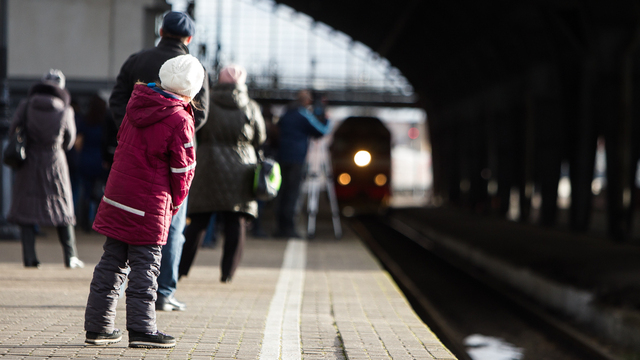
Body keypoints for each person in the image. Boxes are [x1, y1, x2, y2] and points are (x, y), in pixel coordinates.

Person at [84, 55, 202, 348]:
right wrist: (174, 203)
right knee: (146, 268)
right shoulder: (180, 118)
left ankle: (98, 327)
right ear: (192, 89)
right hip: (149, 203)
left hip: (117, 196)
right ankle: (142, 329)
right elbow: (183, 170)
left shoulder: (135, 105)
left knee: (111, 262)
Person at [109, 11, 209, 312]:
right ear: (188, 39)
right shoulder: (194, 69)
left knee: (124, 225)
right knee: (172, 228)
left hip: (132, 156)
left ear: (161, 30)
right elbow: (201, 114)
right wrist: (174, 133)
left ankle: (119, 290)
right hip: (169, 163)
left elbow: (116, 101)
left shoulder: (135, 60)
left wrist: (132, 130)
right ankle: (163, 292)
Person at [179, 64, 266, 283]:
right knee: (235, 221)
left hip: (208, 165)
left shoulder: (206, 102)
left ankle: (180, 270)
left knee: (198, 220)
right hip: (242, 168)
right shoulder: (251, 107)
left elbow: (195, 127)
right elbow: (260, 137)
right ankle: (227, 273)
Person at [7, 69, 84, 269]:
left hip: (30, 160)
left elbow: (13, 129)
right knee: (63, 206)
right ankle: (70, 256)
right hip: (54, 160)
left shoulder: (26, 105)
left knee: (27, 207)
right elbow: (69, 141)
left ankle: (30, 258)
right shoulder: (66, 110)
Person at [273, 90, 330, 238]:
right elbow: (321, 131)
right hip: (296, 159)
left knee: (282, 193)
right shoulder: (303, 115)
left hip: (281, 157)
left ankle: (280, 228)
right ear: (305, 101)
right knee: (292, 195)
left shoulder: (286, 113)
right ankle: (289, 229)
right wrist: (327, 119)